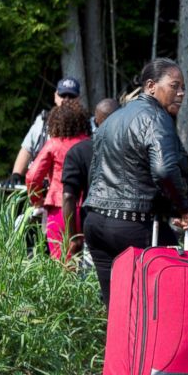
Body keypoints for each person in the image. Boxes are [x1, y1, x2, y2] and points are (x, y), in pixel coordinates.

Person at [83, 58, 188, 305]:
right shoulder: (157, 117)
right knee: (156, 306)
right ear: (151, 86)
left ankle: (115, 345)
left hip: (95, 222)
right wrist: (183, 208)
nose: (181, 93)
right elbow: (164, 170)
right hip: (131, 225)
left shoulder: (111, 120)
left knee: (115, 309)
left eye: (183, 87)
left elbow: (94, 172)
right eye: (175, 85)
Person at [25, 97, 91, 260]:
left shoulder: (53, 144)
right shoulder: (90, 143)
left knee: (62, 261)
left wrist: (37, 199)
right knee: (87, 262)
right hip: (88, 207)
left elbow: (33, 176)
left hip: (60, 207)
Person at [61, 98, 119, 259]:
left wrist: (73, 238)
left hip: (94, 228)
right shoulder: (137, 150)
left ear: (96, 120)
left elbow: (68, 197)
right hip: (130, 228)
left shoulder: (79, 151)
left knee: (93, 282)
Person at [7, 76, 81, 185]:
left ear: (79, 99)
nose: (67, 100)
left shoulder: (89, 124)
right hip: (43, 187)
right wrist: (16, 174)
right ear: (56, 97)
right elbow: (27, 148)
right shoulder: (43, 122)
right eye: (63, 95)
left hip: (77, 186)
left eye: (71, 96)